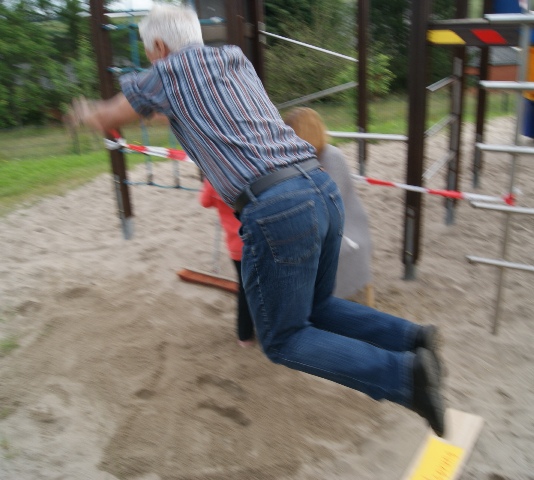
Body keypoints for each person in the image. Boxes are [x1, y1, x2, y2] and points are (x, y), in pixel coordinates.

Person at [69, 3, 446, 436]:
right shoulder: (232, 59)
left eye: (150, 53)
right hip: (320, 187)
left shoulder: (167, 71)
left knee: (284, 339)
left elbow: (111, 116)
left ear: (159, 46)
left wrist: (86, 113)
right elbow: (180, 108)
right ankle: (412, 338)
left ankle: (404, 377)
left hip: (276, 207)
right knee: (318, 308)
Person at [284, 107, 372, 301]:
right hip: (318, 224)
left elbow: (328, 204)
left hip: (343, 229)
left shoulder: (331, 156)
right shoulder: (300, 159)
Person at [199, 178, 255, 347]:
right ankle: (247, 333)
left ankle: (245, 335)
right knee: (256, 287)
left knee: (246, 288)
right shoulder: (252, 174)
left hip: (237, 246)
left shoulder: (214, 179)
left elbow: (205, 202)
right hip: (257, 242)